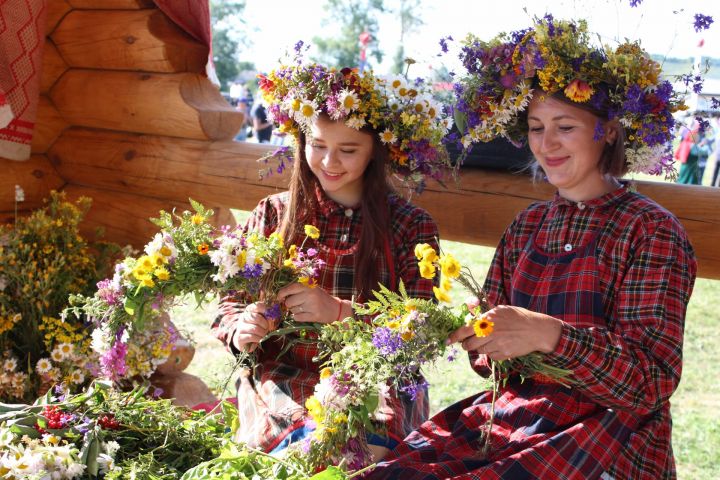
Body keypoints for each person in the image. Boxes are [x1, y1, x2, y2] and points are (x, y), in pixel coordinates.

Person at [368, 17, 697, 479]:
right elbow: (489, 363)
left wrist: (550, 334)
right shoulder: (528, 225)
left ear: (608, 131)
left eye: (565, 126)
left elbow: (650, 380)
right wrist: (475, 334)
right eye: (537, 127)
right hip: (515, 422)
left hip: (611, 441)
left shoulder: (650, 230)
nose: (547, 144)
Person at [211, 62, 454, 460]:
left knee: (355, 459)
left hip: (376, 380)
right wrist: (241, 327)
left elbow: (423, 329)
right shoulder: (273, 215)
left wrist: (341, 312)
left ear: (376, 150)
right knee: (300, 457)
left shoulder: (411, 226)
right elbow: (229, 303)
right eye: (318, 145)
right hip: (283, 376)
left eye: (348, 150)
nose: (329, 162)